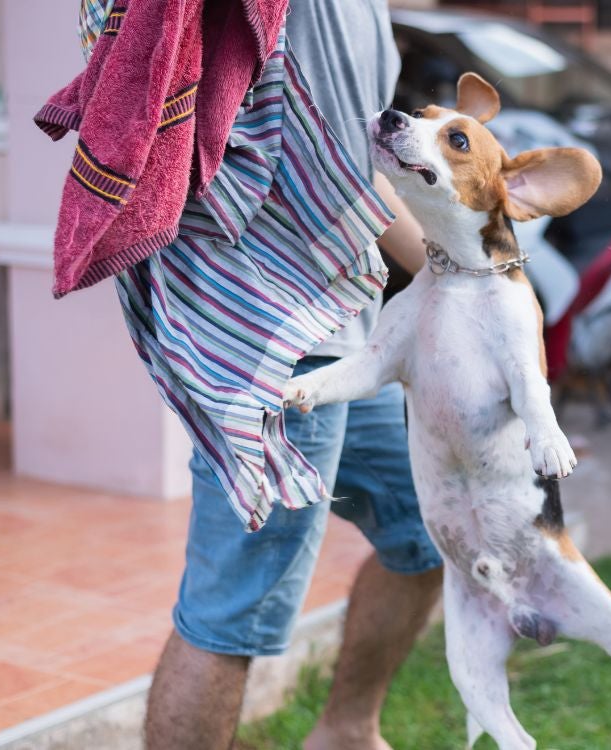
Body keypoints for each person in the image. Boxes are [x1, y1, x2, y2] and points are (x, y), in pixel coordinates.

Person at [141, 2, 443, 748]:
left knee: (429, 531)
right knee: (229, 615)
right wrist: (473, 270)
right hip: (274, 340)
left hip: (343, 335)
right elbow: (338, 172)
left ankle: (345, 731)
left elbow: (357, 168)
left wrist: (464, 270)